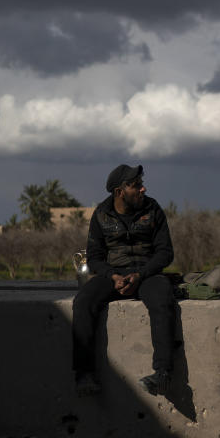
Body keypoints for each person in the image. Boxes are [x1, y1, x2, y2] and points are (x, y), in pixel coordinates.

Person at [72, 164, 177, 397]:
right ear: (120, 192)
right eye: (136, 185)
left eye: (141, 184)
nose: (143, 189)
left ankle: (162, 373)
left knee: (162, 301)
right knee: (83, 301)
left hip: (147, 274)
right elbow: (96, 256)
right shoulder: (101, 214)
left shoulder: (153, 209)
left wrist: (140, 274)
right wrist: (112, 275)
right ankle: (84, 374)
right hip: (113, 275)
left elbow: (165, 252)